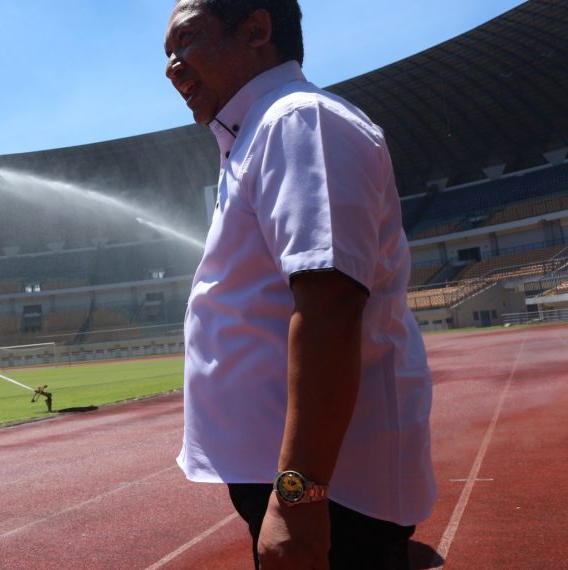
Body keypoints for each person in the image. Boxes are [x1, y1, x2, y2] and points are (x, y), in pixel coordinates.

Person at [163, 1, 436, 568]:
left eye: (185, 42)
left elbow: (330, 305)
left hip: (333, 493)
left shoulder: (297, 120)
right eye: (168, 54)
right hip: (308, 483)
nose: (172, 66)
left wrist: (298, 500)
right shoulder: (254, 135)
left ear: (257, 29)